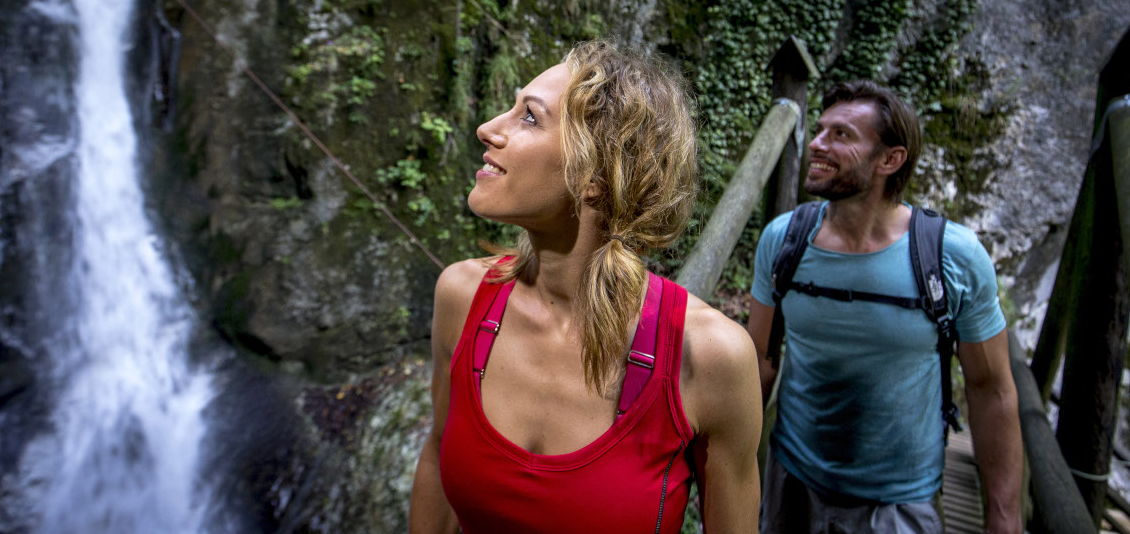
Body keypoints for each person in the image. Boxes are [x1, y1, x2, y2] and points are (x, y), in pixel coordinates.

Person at [408, 41, 763, 533]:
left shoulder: (709, 356)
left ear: (596, 173)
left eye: (529, 118)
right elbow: (435, 453)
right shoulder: (462, 296)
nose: (487, 128)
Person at [746, 80, 1023, 534]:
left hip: (898, 504)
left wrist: (1005, 518)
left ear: (890, 159)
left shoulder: (951, 257)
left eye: (841, 135)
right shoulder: (783, 241)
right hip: (790, 481)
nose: (816, 143)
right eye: (819, 130)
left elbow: (991, 388)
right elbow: (757, 362)